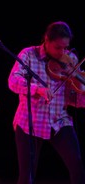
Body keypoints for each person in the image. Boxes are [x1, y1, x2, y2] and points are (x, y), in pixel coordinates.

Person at [8, 21, 85, 184]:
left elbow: (74, 100)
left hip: (59, 120)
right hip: (30, 121)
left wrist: (79, 90)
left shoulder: (71, 59)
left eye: (66, 47)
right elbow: (13, 81)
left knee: (77, 165)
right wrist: (37, 89)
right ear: (46, 40)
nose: (62, 53)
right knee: (27, 177)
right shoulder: (28, 54)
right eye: (58, 47)